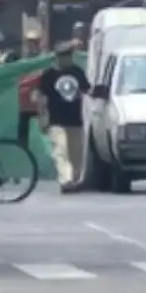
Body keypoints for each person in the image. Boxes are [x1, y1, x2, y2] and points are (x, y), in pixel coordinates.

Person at [36, 42, 90, 193]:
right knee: (60, 150)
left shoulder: (77, 72)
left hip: (75, 119)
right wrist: (42, 116)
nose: (67, 59)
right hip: (56, 119)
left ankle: (75, 179)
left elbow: (85, 91)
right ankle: (65, 180)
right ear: (58, 58)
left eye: (69, 56)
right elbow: (42, 98)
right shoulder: (49, 75)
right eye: (64, 56)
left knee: (76, 152)